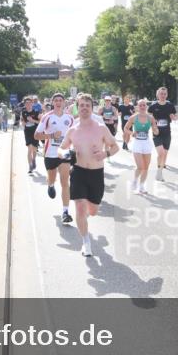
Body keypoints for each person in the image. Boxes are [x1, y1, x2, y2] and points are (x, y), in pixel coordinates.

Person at [60, 93, 121, 256]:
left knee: (92, 211)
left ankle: (87, 214)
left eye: (87, 105)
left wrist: (105, 154)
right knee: (80, 208)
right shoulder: (73, 130)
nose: (84, 108)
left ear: (92, 108)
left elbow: (115, 147)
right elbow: (61, 148)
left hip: (96, 174)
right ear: (77, 108)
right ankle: (86, 242)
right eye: (81, 105)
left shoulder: (101, 128)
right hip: (78, 172)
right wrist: (65, 153)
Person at [35, 93, 76, 223]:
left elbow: (75, 134)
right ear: (53, 103)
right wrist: (52, 135)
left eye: (60, 100)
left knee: (65, 182)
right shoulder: (47, 117)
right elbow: (36, 135)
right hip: (50, 154)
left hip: (64, 153)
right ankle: (51, 184)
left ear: (64, 103)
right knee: (52, 177)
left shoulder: (70, 118)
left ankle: (65, 212)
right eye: (56, 100)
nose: (58, 102)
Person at [125, 98, 158, 194]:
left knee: (146, 167)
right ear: (137, 107)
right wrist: (132, 133)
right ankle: (135, 181)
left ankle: (142, 186)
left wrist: (155, 130)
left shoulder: (150, 118)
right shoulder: (134, 117)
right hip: (137, 143)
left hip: (146, 143)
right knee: (140, 167)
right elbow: (125, 128)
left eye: (144, 105)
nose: (142, 107)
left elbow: (155, 130)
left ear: (146, 106)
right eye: (140, 105)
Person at [150, 86, 178, 181]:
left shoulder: (170, 105)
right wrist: (153, 122)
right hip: (157, 133)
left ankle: (160, 171)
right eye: (161, 94)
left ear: (167, 95)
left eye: (164, 94)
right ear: (157, 95)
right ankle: (159, 172)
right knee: (161, 153)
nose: (163, 95)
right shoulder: (153, 106)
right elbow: (148, 117)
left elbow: (176, 116)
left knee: (164, 154)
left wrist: (174, 117)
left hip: (167, 133)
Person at [20, 96, 42, 173]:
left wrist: (33, 120)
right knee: (29, 148)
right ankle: (30, 166)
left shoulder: (36, 112)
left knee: (34, 149)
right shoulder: (23, 112)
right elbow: (22, 121)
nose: (28, 104)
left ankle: (34, 159)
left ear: (32, 104)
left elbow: (41, 122)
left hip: (35, 132)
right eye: (26, 103)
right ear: (24, 104)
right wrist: (23, 123)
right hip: (27, 131)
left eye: (29, 103)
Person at [100, 95, 119, 161]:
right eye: (106, 100)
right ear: (104, 101)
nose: (107, 101)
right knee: (103, 142)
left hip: (111, 126)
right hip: (104, 126)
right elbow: (98, 117)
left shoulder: (113, 108)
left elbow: (116, 117)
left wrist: (112, 118)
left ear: (110, 101)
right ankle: (103, 154)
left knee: (108, 142)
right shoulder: (102, 108)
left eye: (109, 100)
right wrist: (103, 117)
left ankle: (107, 155)